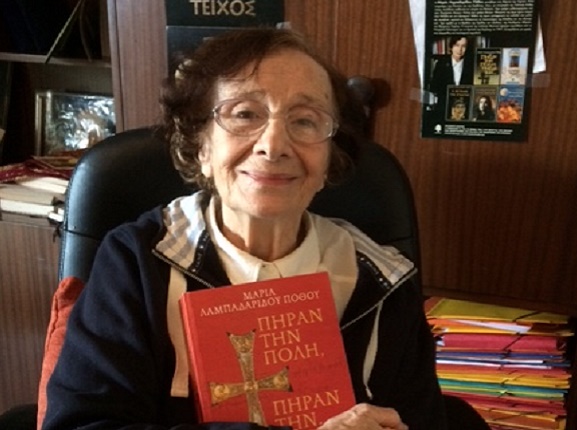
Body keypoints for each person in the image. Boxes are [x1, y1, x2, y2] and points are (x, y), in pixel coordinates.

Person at [42, 28, 449, 430]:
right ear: (201, 146)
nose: (273, 145)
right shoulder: (136, 263)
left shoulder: (383, 282)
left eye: (305, 121)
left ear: (331, 158)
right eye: (245, 114)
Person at [428, 35, 473, 118]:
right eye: (457, 45)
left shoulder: (471, 65)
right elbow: (434, 87)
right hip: (443, 109)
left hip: (464, 110)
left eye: (463, 46)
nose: (460, 49)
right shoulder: (441, 64)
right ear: (451, 47)